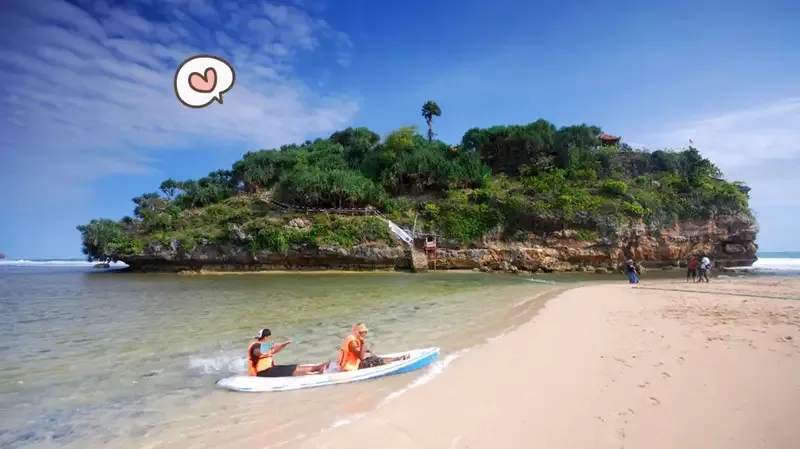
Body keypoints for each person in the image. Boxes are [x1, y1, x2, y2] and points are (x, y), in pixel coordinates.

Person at [247, 328, 329, 377]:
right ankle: (317, 374)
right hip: (262, 373)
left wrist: (286, 343)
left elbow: (274, 351)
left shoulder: (264, 345)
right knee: (291, 371)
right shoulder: (255, 346)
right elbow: (258, 352)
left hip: (271, 369)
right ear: (265, 337)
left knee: (294, 367)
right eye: (268, 337)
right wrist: (271, 345)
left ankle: (318, 367)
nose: (269, 338)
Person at [337, 322, 410, 371]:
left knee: (374, 358)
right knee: (376, 360)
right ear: (359, 333)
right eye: (364, 332)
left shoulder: (352, 338)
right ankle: (398, 359)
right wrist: (362, 343)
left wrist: (365, 350)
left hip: (352, 364)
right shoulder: (352, 342)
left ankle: (397, 358)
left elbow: (355, 352)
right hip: (350, 368)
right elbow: (361, 357)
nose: (366, 333)